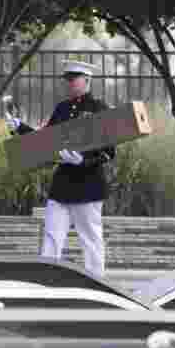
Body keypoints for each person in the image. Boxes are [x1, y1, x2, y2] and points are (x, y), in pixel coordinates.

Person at [8, 60, 113, 276]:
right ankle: (46, 280)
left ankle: (98, 281)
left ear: (87, 80)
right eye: (68, 80)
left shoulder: (99, 108)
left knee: (90, 238)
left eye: (73, 79)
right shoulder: (62, 109)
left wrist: (82, 162)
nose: (69, 84)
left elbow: (109, 152)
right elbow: (45, 141)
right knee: (52, 235)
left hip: (89, 184)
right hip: (62, 184)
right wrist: (20, 128)